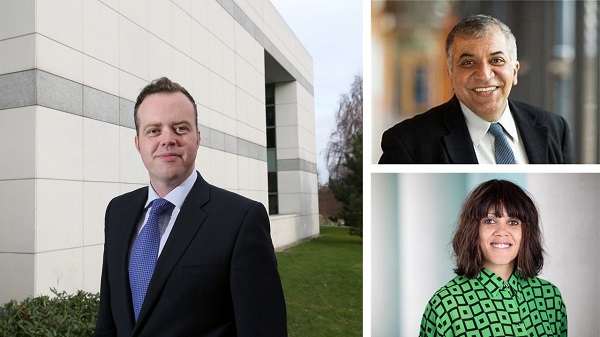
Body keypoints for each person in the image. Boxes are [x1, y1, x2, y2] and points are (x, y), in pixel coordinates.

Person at [93, 77, 287, 336]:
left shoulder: (241, 220)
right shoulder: (117, 212)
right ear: (138, 143)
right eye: (154, 130)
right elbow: (108, 320)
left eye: (180, 128)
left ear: (197, 138)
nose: (167, 139)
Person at [379, 14, 573, 164]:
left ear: (514, 71)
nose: (484, 75)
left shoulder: (555, 129)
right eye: (468, 62)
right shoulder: (407, 143)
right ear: (451, 75)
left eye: (496, 60)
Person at [419, 179, 567, 336]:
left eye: (513, 222)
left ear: (526, 232)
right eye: (490, 221)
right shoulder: (446, 304)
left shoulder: (550, 297)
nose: (502, 231)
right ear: (473, 230)